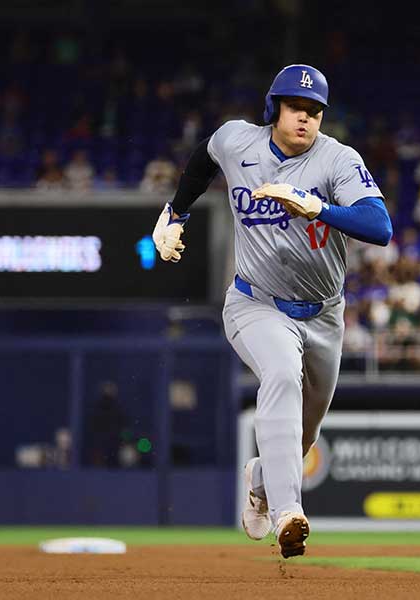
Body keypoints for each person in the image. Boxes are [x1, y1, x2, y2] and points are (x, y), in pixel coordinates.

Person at [151, 64, 392, 558]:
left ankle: (261, 477)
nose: (305, 118)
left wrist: (317, 207)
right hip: (254, 303)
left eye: (314, 111)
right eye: (295, 108)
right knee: (280, 373)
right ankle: (289, 513)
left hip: (324, 314)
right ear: (274, 109)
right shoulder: (239, 141)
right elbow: (202, 159)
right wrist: (176, 212)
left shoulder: (337, 160)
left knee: (305, 431)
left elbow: (379, 225)